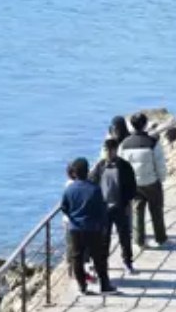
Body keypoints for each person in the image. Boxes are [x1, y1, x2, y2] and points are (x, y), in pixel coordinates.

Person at [61, 158, 116, 295]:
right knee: (99, 257)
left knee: (77, 257)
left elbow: (64, 207)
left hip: (75, 228)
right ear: (87, 171)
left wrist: (73, 217)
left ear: (74, 172)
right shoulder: (95, 189)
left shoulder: (70, 189)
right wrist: (103, 225)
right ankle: (104, 285)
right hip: (93, 227)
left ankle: (82, 286)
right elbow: (102, 209)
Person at [120, 113, 170, 249]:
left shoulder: (124, 144)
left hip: (134, 184)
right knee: (156, 210)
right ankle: (161, 238)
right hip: (151, 181)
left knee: (137, 211)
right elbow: (160, 163)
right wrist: (162, 178)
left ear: (132, 125)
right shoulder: (152, 142)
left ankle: (139, 241)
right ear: (145, 125)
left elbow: (121, 166)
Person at [90, 138, 139, 274]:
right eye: (105, 150)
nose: (107, 153)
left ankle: (128, 262)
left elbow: (132, 187)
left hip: (121, 207)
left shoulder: (125, 166)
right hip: (104, 209)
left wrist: (126, 201)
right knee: (103, 238)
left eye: (110, 150)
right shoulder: (99, 166)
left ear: (116, 150)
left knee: (124, 237)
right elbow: (93, 183)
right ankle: (102, 264)